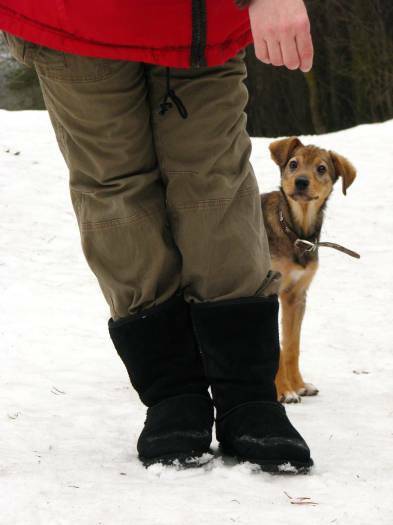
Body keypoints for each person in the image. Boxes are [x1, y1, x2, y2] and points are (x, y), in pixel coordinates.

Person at [0, 0, 314, 471]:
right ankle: (173, 394)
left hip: (200, 18)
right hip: (72, 17)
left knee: (215, 186)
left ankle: (247, 396)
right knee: (115, 191)